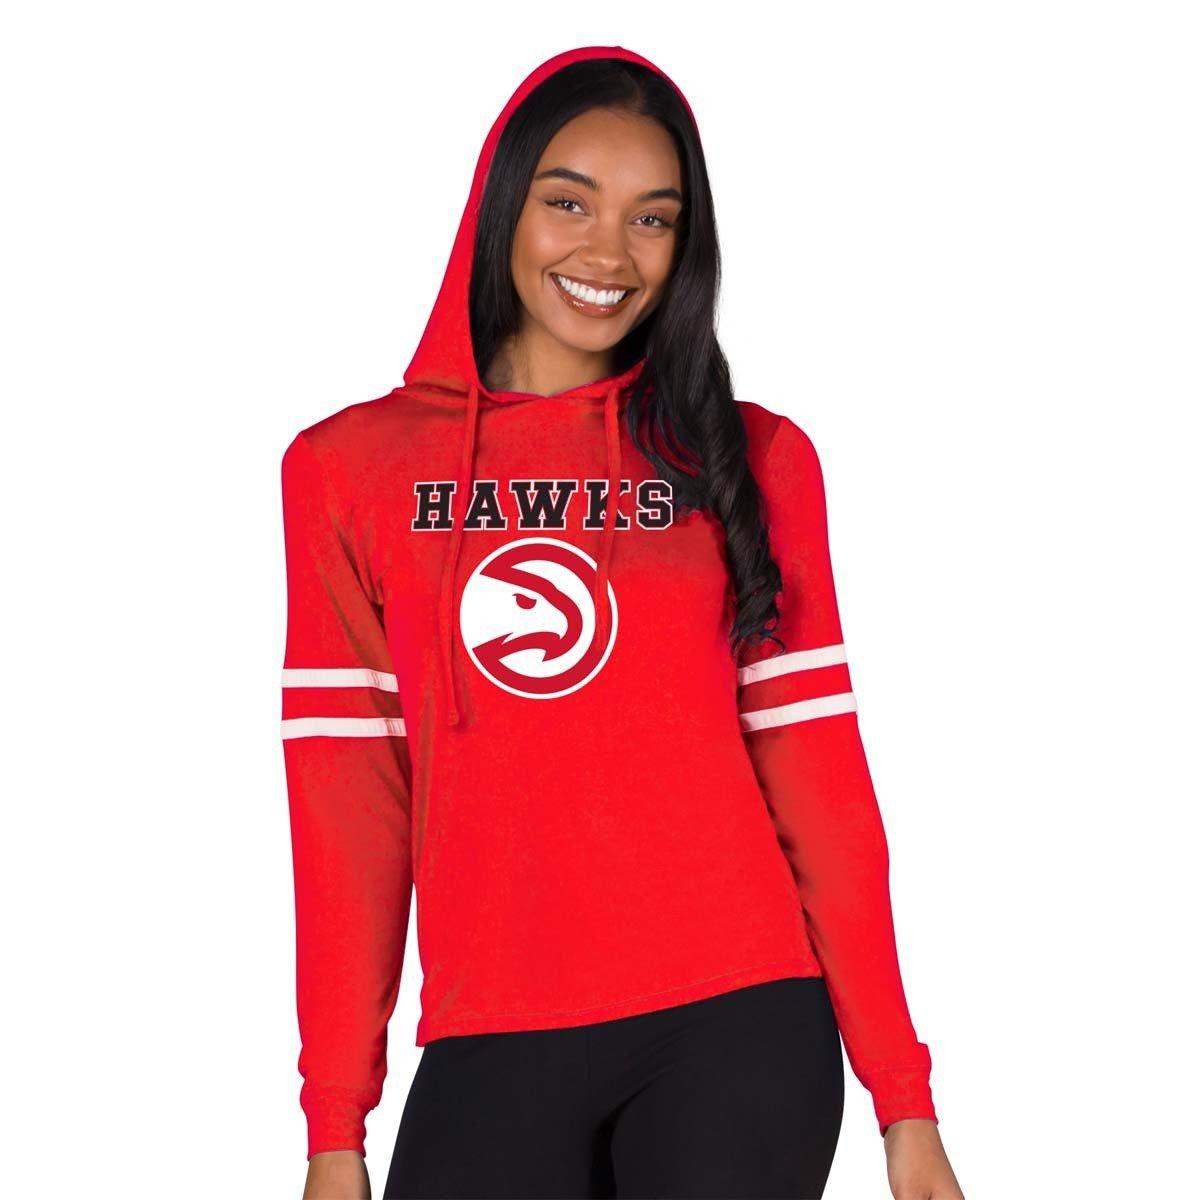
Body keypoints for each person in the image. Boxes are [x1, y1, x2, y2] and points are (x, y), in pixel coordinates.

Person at [279, 44, 964, 1200]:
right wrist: (335, 1124)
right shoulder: (348, 472)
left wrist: (903, 1097)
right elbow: (348, 812)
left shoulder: (751, 458)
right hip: (491, 1027)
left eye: (653, 219)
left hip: (740, 1018)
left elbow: (821, 784)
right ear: (501, 202)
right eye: (569, 203)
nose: (608, 253)